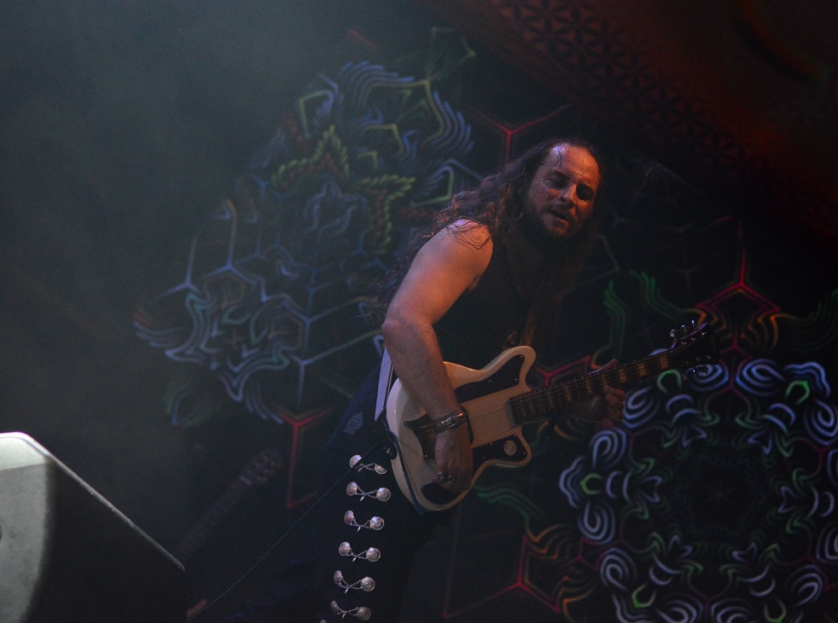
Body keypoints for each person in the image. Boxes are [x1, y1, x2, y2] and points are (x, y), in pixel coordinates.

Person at [228, 138, 625, 622]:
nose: (569, 197)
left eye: (584, 193)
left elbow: (494, 402)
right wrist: (451, 425)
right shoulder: (473, 241)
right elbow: (403, 323)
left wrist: (572, 406)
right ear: (525, 182)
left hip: (421, 481)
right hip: (381, 455)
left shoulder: (540, 295)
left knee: (288, 605)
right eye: (557, 180)